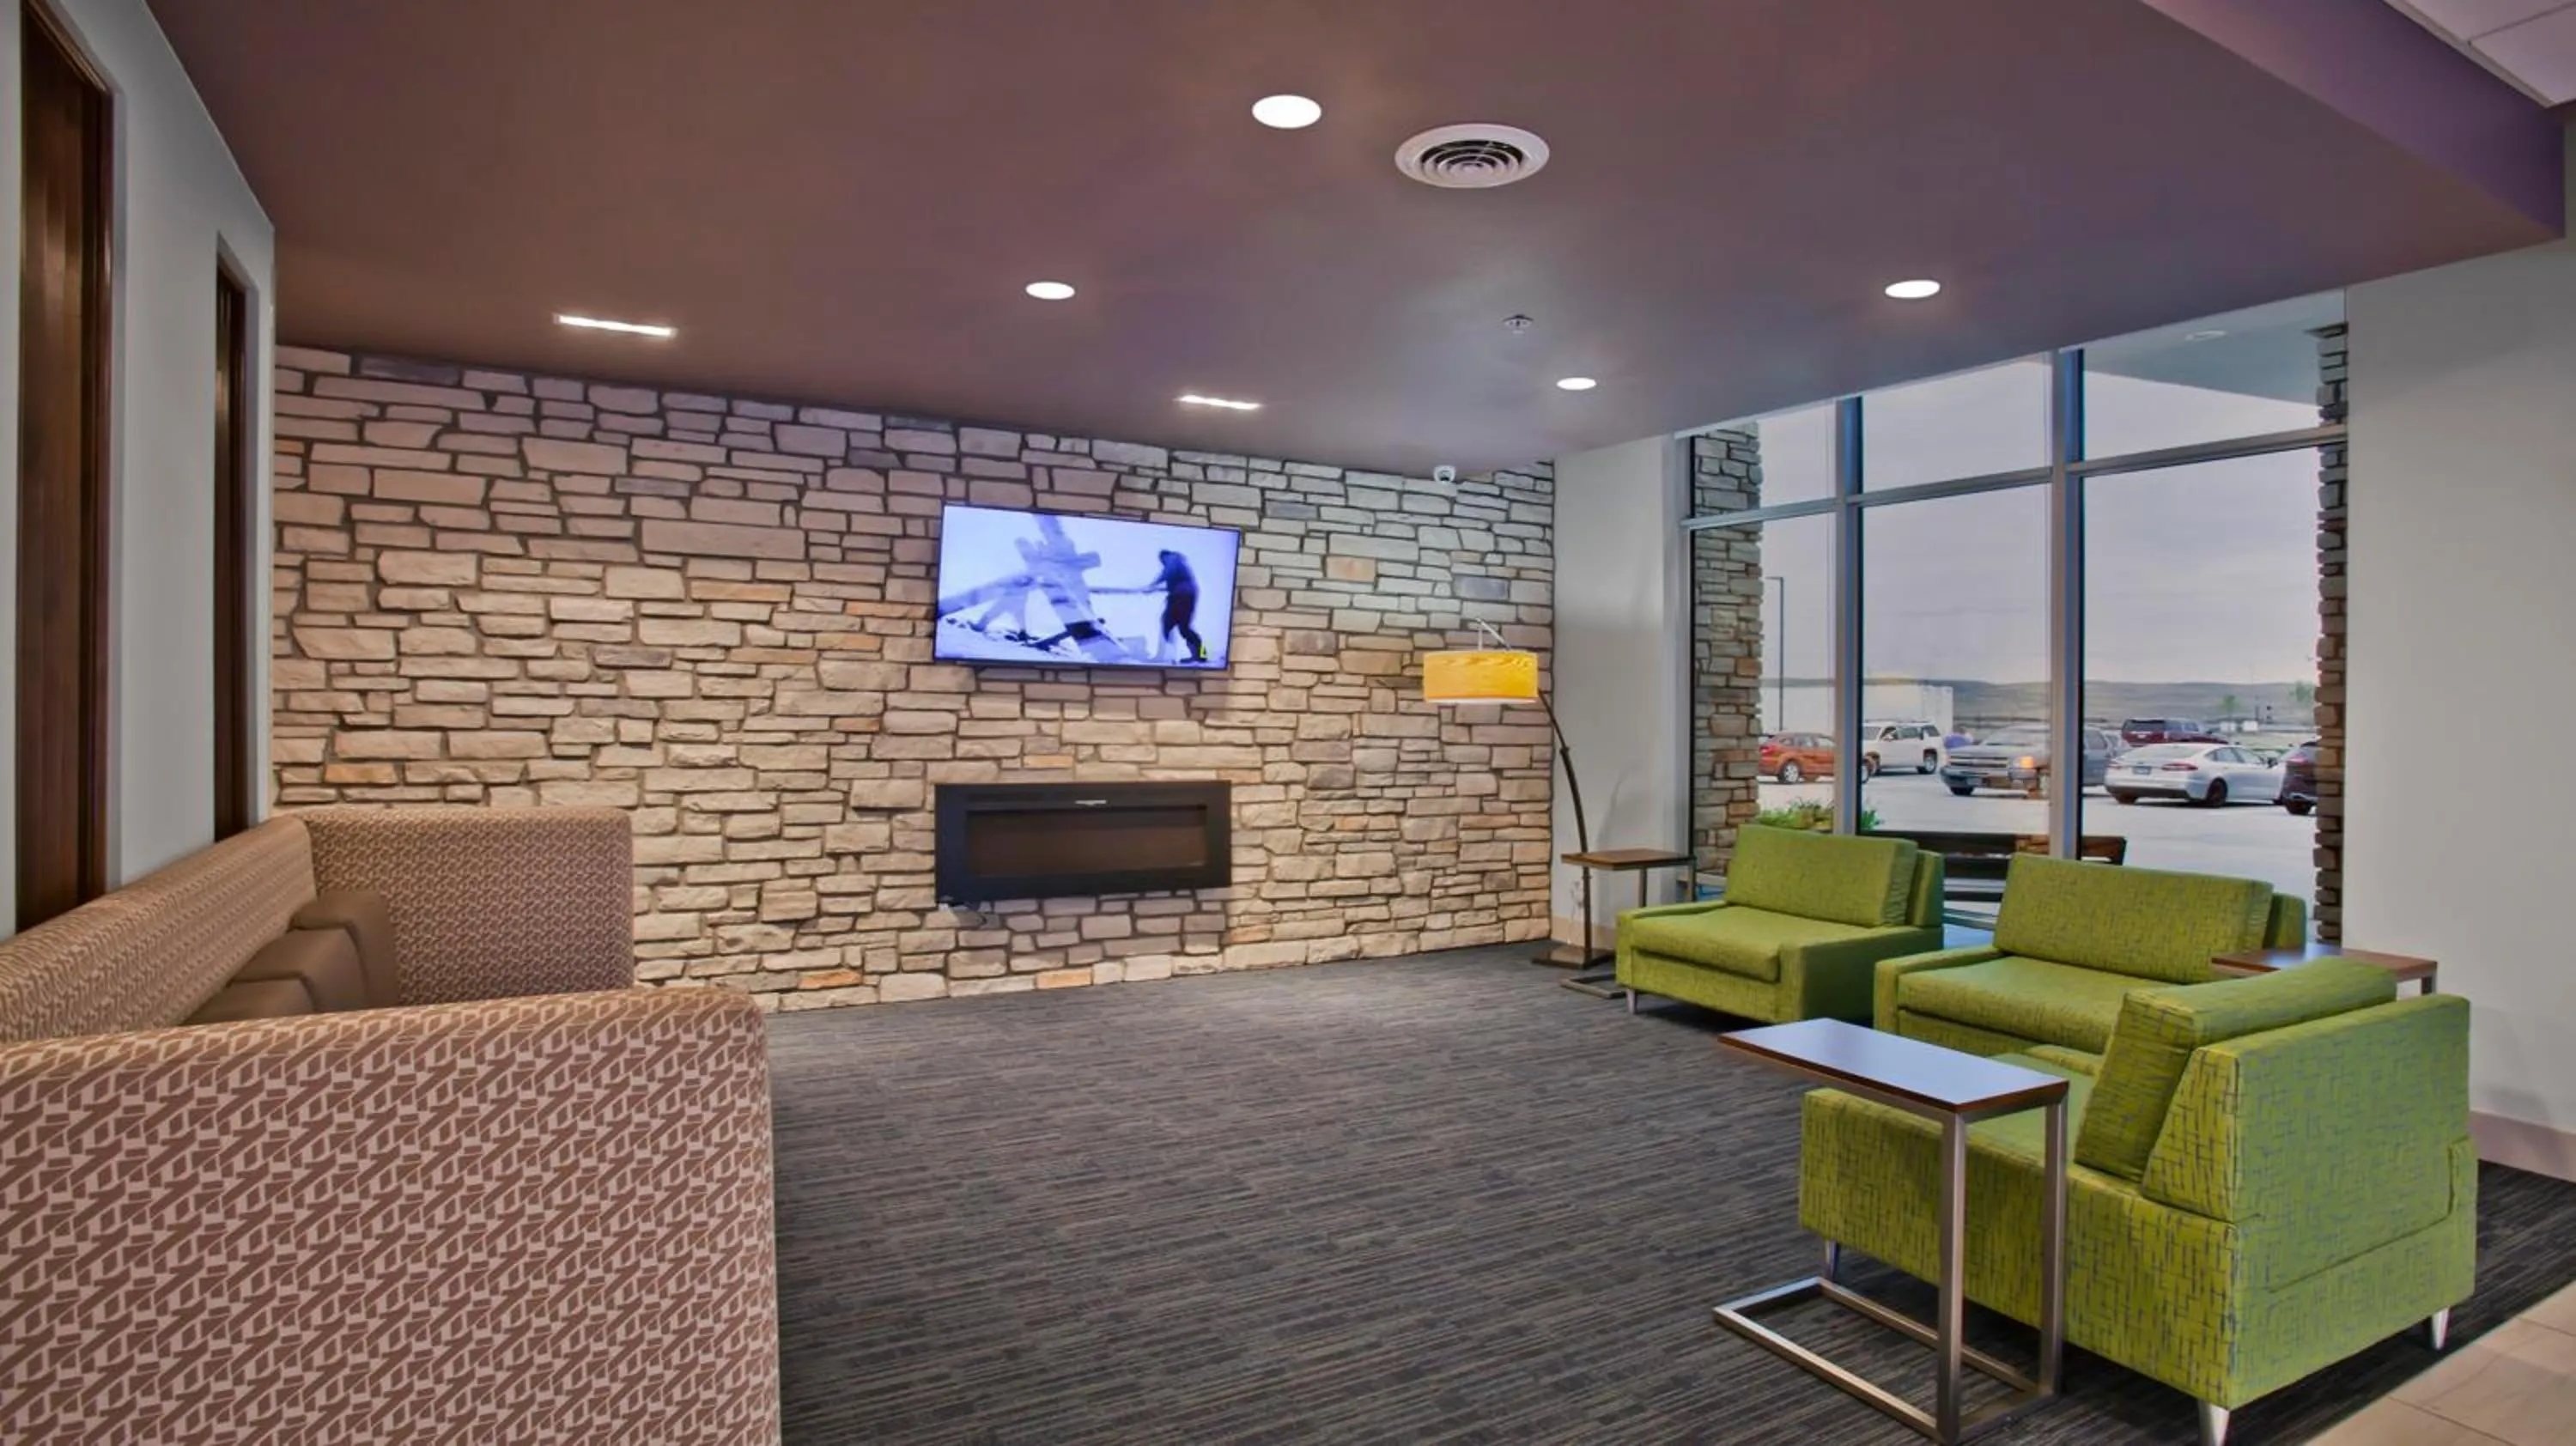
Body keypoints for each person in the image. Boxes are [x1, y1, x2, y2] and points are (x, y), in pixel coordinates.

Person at [1141, 549, 1206, 663]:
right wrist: (1153, 589)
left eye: (1162, 560)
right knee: (1184, 627)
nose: (1162, 563)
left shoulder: (1173, 559)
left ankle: (1165, 656)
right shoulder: (1180, 564)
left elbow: (1166, 574)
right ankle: (1201, 655)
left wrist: (1152, 585)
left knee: (1167, 624)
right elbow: (1172, 581)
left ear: (1164, 556)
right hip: (1187, 595)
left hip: (1181, 596)